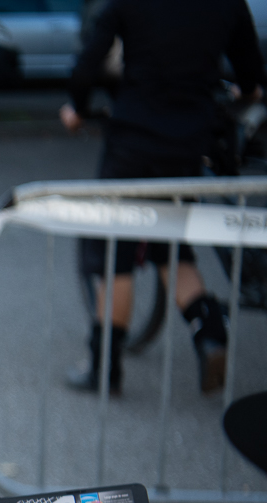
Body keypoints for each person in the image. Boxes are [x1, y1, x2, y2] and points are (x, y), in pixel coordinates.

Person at [59, 0, 264, 395]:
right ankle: (210, 332)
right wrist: (245, 93)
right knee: (170, 245)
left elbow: (87, 64)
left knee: (115, 254)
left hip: (133, 138)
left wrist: (76, 108)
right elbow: (251, 74)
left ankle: (104, 367)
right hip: (189, 142)